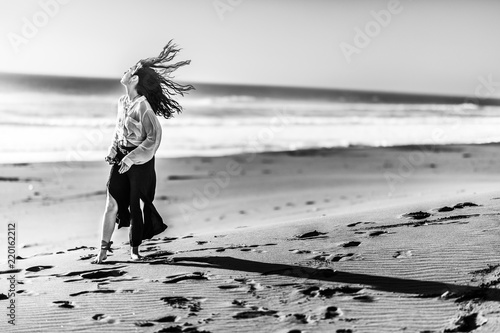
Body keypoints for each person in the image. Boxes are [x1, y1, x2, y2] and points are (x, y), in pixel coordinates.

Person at [92, 40, 194, 264]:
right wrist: (113, 151)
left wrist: (131, 158)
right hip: (121, 157)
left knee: (135, 205)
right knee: (111, 203)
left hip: (140, 162)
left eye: (129, 71)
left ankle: (134, 250)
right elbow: (118, 130)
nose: (125, 72)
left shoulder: (143, 107)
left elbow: (153, 138)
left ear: (135, 79)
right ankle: (103, 250)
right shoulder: (122, 102)